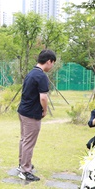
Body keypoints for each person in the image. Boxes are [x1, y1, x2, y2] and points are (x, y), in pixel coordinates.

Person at [16, 48, 57, 181]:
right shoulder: (41, 76)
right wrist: (44, 110)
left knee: (24, 140)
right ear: (49, 61)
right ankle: (25, 171)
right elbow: (43, 98)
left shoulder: (32, 73)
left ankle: (22, 164)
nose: (52, 66)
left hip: (23, 111)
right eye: (53, 63)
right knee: (28, 142)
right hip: (31, 114)